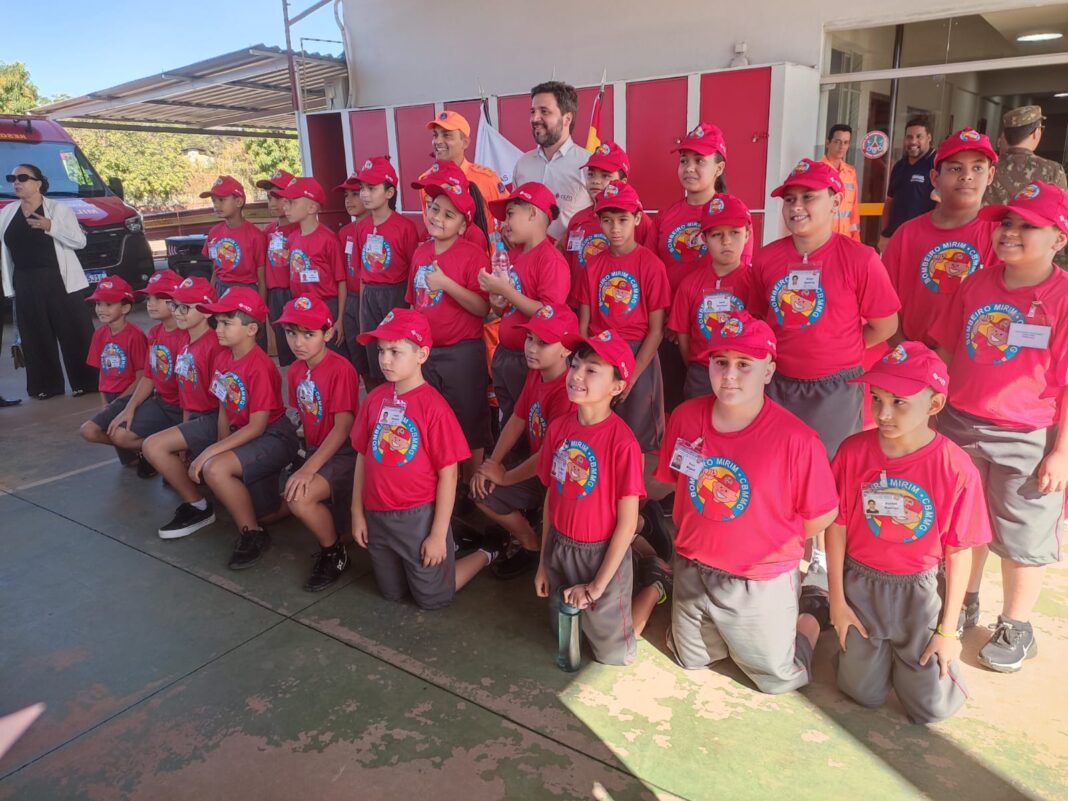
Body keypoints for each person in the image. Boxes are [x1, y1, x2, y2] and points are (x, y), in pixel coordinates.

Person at [653, 311, 837, 693]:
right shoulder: (686, 417)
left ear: (769, 371)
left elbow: (823, 514)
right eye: (720, 362)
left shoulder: (797, 440)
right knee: (690, 659)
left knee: (776, 680)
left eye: (744, 364)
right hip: (693, 567)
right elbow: (675, 483)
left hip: (759, 578)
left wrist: (768, 538)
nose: (730, 375)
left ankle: (812, 609)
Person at [932, 181, 1068, 673]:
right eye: (1006, 223)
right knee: (964, 526)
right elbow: (948, 347)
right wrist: (933, 408)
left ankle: (1016, 624)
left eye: (1027, 226)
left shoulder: (1062, 296)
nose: (1010, 232)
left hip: (1028, 436)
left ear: (1059, 238)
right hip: (960, 423)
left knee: (1021, 535)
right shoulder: (976, 284)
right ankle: (964, 601)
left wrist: (1061, 453)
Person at [749, 158, 899, 593]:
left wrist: (842, 349)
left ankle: (821, 560)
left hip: (835, 388)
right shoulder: (767, 258)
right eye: (790, 199)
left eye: (808, 197)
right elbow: (761, 319)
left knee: (829, 475)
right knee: (779, 470)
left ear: (835, 201)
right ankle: (781, 546)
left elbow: (885, 326)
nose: (797, 207)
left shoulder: (860, 258)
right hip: (779, 384)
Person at [828, 342, 991, 723]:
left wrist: (947, 631)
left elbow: (958, 552)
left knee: (930, 709)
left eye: (899, 402)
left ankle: (912, 665)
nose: (883, 413)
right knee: (860, 694)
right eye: (877, 398)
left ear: (934, 405)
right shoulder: (852, 452)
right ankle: (871, 659)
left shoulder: (955, 467)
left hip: (919, 591)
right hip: (861, 584)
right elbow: (836, 527)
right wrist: (837, 601)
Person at [351, 309, 505, 610]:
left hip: (417, 516)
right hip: (377, 514)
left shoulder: (434, 407)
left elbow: (449, 474)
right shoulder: (373, 399)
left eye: (395, 351)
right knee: (392, 593)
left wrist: (436, 533)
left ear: (421, 354)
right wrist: (357, 513)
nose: (385, 360)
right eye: (381, 351)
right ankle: (449, 544)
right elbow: (362, 457)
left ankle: (486, 552)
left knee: (433, 597)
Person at [534, 328, 661, 666]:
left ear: (617, 387)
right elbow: (551, 496)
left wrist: (597, 586)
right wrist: (543, 562)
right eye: (575, 365)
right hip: (560, 547)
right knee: (564, 632)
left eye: (592, 370)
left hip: (601, 554)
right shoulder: (559, 428)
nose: (576, 375)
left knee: (614, 655)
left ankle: (656, 583)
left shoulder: (623, 443)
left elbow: (627, 523)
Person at [147, 289, 299, 562]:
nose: (218, 329)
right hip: (241, 432)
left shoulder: (260, 366)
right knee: (177, 453)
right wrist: (218, 444)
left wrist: (209, 453)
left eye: (227, 323)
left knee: (221, 474)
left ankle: (254, 532)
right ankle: (200, 505)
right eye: (217, 322)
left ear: (251, 329)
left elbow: (257, 426)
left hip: (272, 435)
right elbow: (224, 407)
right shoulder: (223, 357)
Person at [471, 304, 577, 579]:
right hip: (537, 470)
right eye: (530, 338)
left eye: (543, 343)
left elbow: (550, 455)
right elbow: (518, 418)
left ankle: (640, 526)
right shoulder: (536, 373)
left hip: (559, 481)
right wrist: (493, 463)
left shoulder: (567, 394)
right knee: (481, 488)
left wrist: (505, 477)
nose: (531, 348)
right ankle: (530, 542)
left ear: (566, 350)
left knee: (571, 542)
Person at [652, 123, 752, 412]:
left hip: (718, 335)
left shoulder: (735, 214)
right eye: (684, 161)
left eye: (699, 161)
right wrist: (672, 321)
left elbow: (740, 277)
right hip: (671, 332)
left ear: (719, 168)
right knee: (676, 410)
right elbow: (654, 273)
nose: (689, 168)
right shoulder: (665, 216)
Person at [405, 173, 492, 482]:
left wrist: (445, 284)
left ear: (463, 226)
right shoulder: (420, 252)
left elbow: (482, 308)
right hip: (425, 352)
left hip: (461, 353)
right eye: (434, 209)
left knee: (469, 419)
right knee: (431, 419)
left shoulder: (474, 256)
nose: (437, 218)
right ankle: (443, 484)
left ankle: (470, 485)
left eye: (448, 215)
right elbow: (414, 303)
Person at [576, 181, 669, 465]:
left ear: (638, 218)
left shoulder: (651, 265)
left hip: (637, 355)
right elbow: (584, 325)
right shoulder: (593, 265)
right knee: (598, 431)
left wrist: (631, 377)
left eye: (622, 220)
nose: (614, 228)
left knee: (635, 440)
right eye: (607, 220)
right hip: (600, 355)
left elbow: (656, 330)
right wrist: (585, 366)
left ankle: (634, 493)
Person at [882, 128, 999, 346]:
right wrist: (905, 351)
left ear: (990, 175)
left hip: (971, 357)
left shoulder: (1000, 237)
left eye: (977, 168)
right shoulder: (907, 234)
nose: (967, 176)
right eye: (955, 168)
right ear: (935, 178)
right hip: (911, 356)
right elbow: (885, 302)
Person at [278, 295, 360, 592]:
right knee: (281, 504)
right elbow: (305, 418)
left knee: (298, 498)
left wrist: (307, 469)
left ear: (328, 334)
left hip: (345, 453)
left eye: (308, 334)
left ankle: (334, 552)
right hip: (317, 451)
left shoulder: (341, 369)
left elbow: (343, 428)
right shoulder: (296, 369)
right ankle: (339, 528)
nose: (298, 342)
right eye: (291, 333)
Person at [0, 163, 97, 400]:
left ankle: (86, 382)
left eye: (23, 177)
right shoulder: (7, 213)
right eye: (13, 178)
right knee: (35, 334)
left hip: (59, 278)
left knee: (74, 331)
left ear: (38, 183)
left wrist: (50, 226)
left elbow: (79, 241)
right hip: (24, 279)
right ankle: (45, 386)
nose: (16, 182)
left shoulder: (58, 209)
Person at [79, 270, 186, 478]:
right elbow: (149, 375)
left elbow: (188, 387)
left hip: (182, 407)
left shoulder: (185, 336)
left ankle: (163, 452)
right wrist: (127, 408)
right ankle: (156, 453)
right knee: (117, 435)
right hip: (160, 402)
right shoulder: (154, 333)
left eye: (158, 298)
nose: (150, 304)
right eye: (149, 298)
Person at [142, 277, 227, 535]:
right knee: (158, 447)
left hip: (214, 418)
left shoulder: (215, 346)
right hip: (196, 418)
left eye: (185, 307)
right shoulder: (186, 342)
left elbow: (224, 403)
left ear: (206, 311)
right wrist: (185, 433)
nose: (177, 312)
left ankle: (200, 507)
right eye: (175, 305)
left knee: (153, 446)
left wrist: (220, 445)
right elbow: (186, 393)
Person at [481, 182, 570, 424]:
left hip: (531, 359)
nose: (504, 224)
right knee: (508, 418)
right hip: (506, 354)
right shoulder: (512, 255)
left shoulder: (550, 259)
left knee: (529, 423)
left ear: (532, 213)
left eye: (510, 214)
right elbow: (504, 309)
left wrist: (506, 291)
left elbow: (549, 314)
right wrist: (497, 299)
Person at [668, 193, 755, 399]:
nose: (726, 241)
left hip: (744, 371)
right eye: (717, 235)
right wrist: (697, 365)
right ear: (705, 239)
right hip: (701, 372)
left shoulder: (755, 282)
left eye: (734, 232)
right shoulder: (689, 284)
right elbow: (683, 335)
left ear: (747, 234)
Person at [560, 141, 653, 307]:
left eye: (605, 176)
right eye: (591, 174)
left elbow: (649, 265)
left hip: (618, 304)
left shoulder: (637, 220)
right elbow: (569, 264)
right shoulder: (577, 220)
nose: (596, 181)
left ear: (623, 181)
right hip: (580, 304)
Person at [354, 157, 420, 388]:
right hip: (370, 296)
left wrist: (411, 308)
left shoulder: (405, 227)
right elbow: (363, 273)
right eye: (362, 188)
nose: (364, 194)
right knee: (374, 354)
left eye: (371, 188)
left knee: (397, 350)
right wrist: (362, 309)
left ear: (389, 192)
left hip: (396, 295)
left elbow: (414, 271)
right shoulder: (361, 227)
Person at [985, 105, 1068, 270]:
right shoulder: (1052, 170)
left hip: (989, 252)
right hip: (1034, 262)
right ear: (1036, 133)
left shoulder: (987, 167)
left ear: (1005, 136)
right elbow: (1061, 219)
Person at [512, 81, 592, 240]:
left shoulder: (589, 164)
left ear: (567, 119)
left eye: (544, 111)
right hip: (527, 254)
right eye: (533, 111)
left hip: (571, 255)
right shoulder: (523, 164)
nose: (535, 118)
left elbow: (604, 218)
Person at [83, 276, 148, 467]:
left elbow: (142, 375)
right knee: (130, 462)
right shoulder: (99, 334)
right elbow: (102, 371)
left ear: (125, 307)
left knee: (89, 430)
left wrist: (121, 402)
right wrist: (104, 401)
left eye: (109, 304)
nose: (101, 309)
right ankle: (141, 452)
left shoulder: (135, 335)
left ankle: (150, 448)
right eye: (98, 303)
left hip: (128, 396)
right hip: (110, 397)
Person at [279, 178, 347, 355]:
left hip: (326, 307)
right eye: (285, 202)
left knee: (329, 355)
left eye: (292, 202)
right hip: (301, 306)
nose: (285, 207)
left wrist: (340, 319)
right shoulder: (293, 238)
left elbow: (341, 281)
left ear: (311, 208)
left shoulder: (328, 239)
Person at [425, 110, 506, 226]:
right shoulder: (425, 180)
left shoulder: (487, 179)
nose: (437, 141)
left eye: (446, 135)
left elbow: (506, 219)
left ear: (465, 142)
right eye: (435, 135)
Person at [200, 175, 267, 300]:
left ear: (239, 202)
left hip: (246, 293)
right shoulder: (214, 232)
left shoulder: (256, 236)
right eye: (214, 200)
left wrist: (261, 308)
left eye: (221, 200)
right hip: (220, 289)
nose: (216, 205)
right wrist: (210, 298)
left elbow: (262, 278)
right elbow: (216, 270)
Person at [257, 169, 299, 367]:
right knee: (284, 344)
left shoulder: (301, 229)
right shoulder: (268, 231)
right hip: (275, 295)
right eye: (269, 198)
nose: (272, 203)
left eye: (278, 197)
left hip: (297, 293)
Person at [334, 171, 372, 382]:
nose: (349, 200)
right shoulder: (344, 232)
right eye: (346, 196)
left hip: (371, 298)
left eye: (355, 194)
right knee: (359, 361)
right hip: (350, 300)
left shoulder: (377, 229)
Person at [877, 117, 936, 251]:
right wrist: (885, 233)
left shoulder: (936, 165)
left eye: (919, 136)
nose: (913, 141)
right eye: (909, 137)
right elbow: (890, 201)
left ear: (929, 137)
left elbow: (942, 205)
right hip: (894, 237)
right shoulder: (899, 166)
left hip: (922, 240)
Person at [819, 124, 861, 241]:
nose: (841, 146)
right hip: (823, 238)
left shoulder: (850, 173)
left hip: (845, 238)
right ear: (828, 143)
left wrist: (856, 239)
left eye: (846, 142)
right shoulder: (817, 170)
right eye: (837, 142)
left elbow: (853, 210)